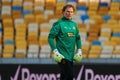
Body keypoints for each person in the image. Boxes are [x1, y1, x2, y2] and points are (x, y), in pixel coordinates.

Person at [48, 4, 82, 80]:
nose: (69, 13)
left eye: (71, 12)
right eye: (67, 11)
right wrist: (55, 52)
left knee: (64, 77)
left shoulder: (74, 25)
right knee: (70, 76)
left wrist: (79, 50)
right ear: (63, 12)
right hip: (62, 56)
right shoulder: (58, 24)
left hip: (71, 56)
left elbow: (78, 38)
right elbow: (50, 38)